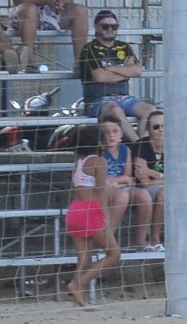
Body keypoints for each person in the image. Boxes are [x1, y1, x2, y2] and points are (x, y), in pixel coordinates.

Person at [77, 10, 156, 143]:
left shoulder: (124, 47)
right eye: (105, 26)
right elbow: (100, 77)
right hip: (97, 100)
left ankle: (142, 144)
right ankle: (138, 146)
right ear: (96, 27)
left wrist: (111, 69)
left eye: (114, 26)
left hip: (124, 97)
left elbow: (137, 71)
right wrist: (124, 71)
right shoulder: (89, 49)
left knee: (150, 109)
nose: (110, 29)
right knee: (115, 110)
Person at [66, 124, 121, 307]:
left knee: (84, 257)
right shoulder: (99, 161)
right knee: (114, 254)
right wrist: (105, 217)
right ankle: (78, 284)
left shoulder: (79, 162)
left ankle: (77, 298)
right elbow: (100, 191)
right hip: (90, 210)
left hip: (75, 210)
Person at [98, 115, 151, 249]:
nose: (111, 135)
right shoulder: (98, 152)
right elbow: (100, 180)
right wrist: (120, 182)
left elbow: (128, 176)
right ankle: (106, 240)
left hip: (120, 187)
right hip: (101, 190)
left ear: (121, 133)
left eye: (115, 131)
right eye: (106, 132)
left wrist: (117, 183)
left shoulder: (125, 149)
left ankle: (141, 241)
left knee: (144, 196)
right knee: (122, 196)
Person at [132, 109, 167, 251]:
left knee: (163, 193)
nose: (161, 130)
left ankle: (155, 238)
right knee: (162, 194)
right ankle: (154, 239)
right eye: (156, 127)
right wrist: (167, 178)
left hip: (170, 189)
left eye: (164, 126)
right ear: (148, 129)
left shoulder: (175, 146)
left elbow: (179, 179)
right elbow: (144, 182)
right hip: (146, 190)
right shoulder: (141, 145)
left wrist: (153, 173)